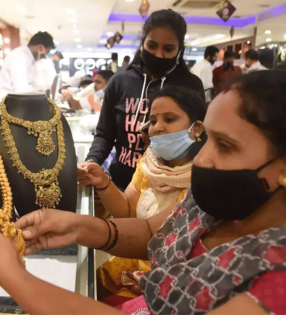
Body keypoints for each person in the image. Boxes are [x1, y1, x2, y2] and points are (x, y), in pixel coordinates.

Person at [0, 70, 286, 315]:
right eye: (209, 139)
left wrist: (10, 275)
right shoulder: (219, 201)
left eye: (226, 146)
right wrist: (75, 226)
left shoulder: (277, 286)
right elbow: (150, 231)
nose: (203, 157)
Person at [79, 86, 206, 299]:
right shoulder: (150, 164)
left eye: (170, 119)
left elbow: (182, 248)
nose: (158, 128)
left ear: (197, 128)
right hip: (136, 266)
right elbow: (126, 211)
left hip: (175, 284)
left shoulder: (205, 181)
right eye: (154, 120)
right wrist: (102, 181)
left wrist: (158, 284)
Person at [83, 9, 205, 192]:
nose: (159, 54)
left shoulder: (190, 85)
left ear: (179, 50)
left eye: (168, 49)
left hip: (169, 188)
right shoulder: (120, 82)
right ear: (142, 44)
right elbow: (104, 134)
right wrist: (91, 162)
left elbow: (200, 137)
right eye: (152, 46)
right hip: (121, 184)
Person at [0, 31, 55, 100]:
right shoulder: (19, 57)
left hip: (19, 102)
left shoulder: (29, 59)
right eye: (46, 52)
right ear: (40, 48)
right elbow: (21, 89)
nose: (45, 56)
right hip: (10, 104)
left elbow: (33, 84)